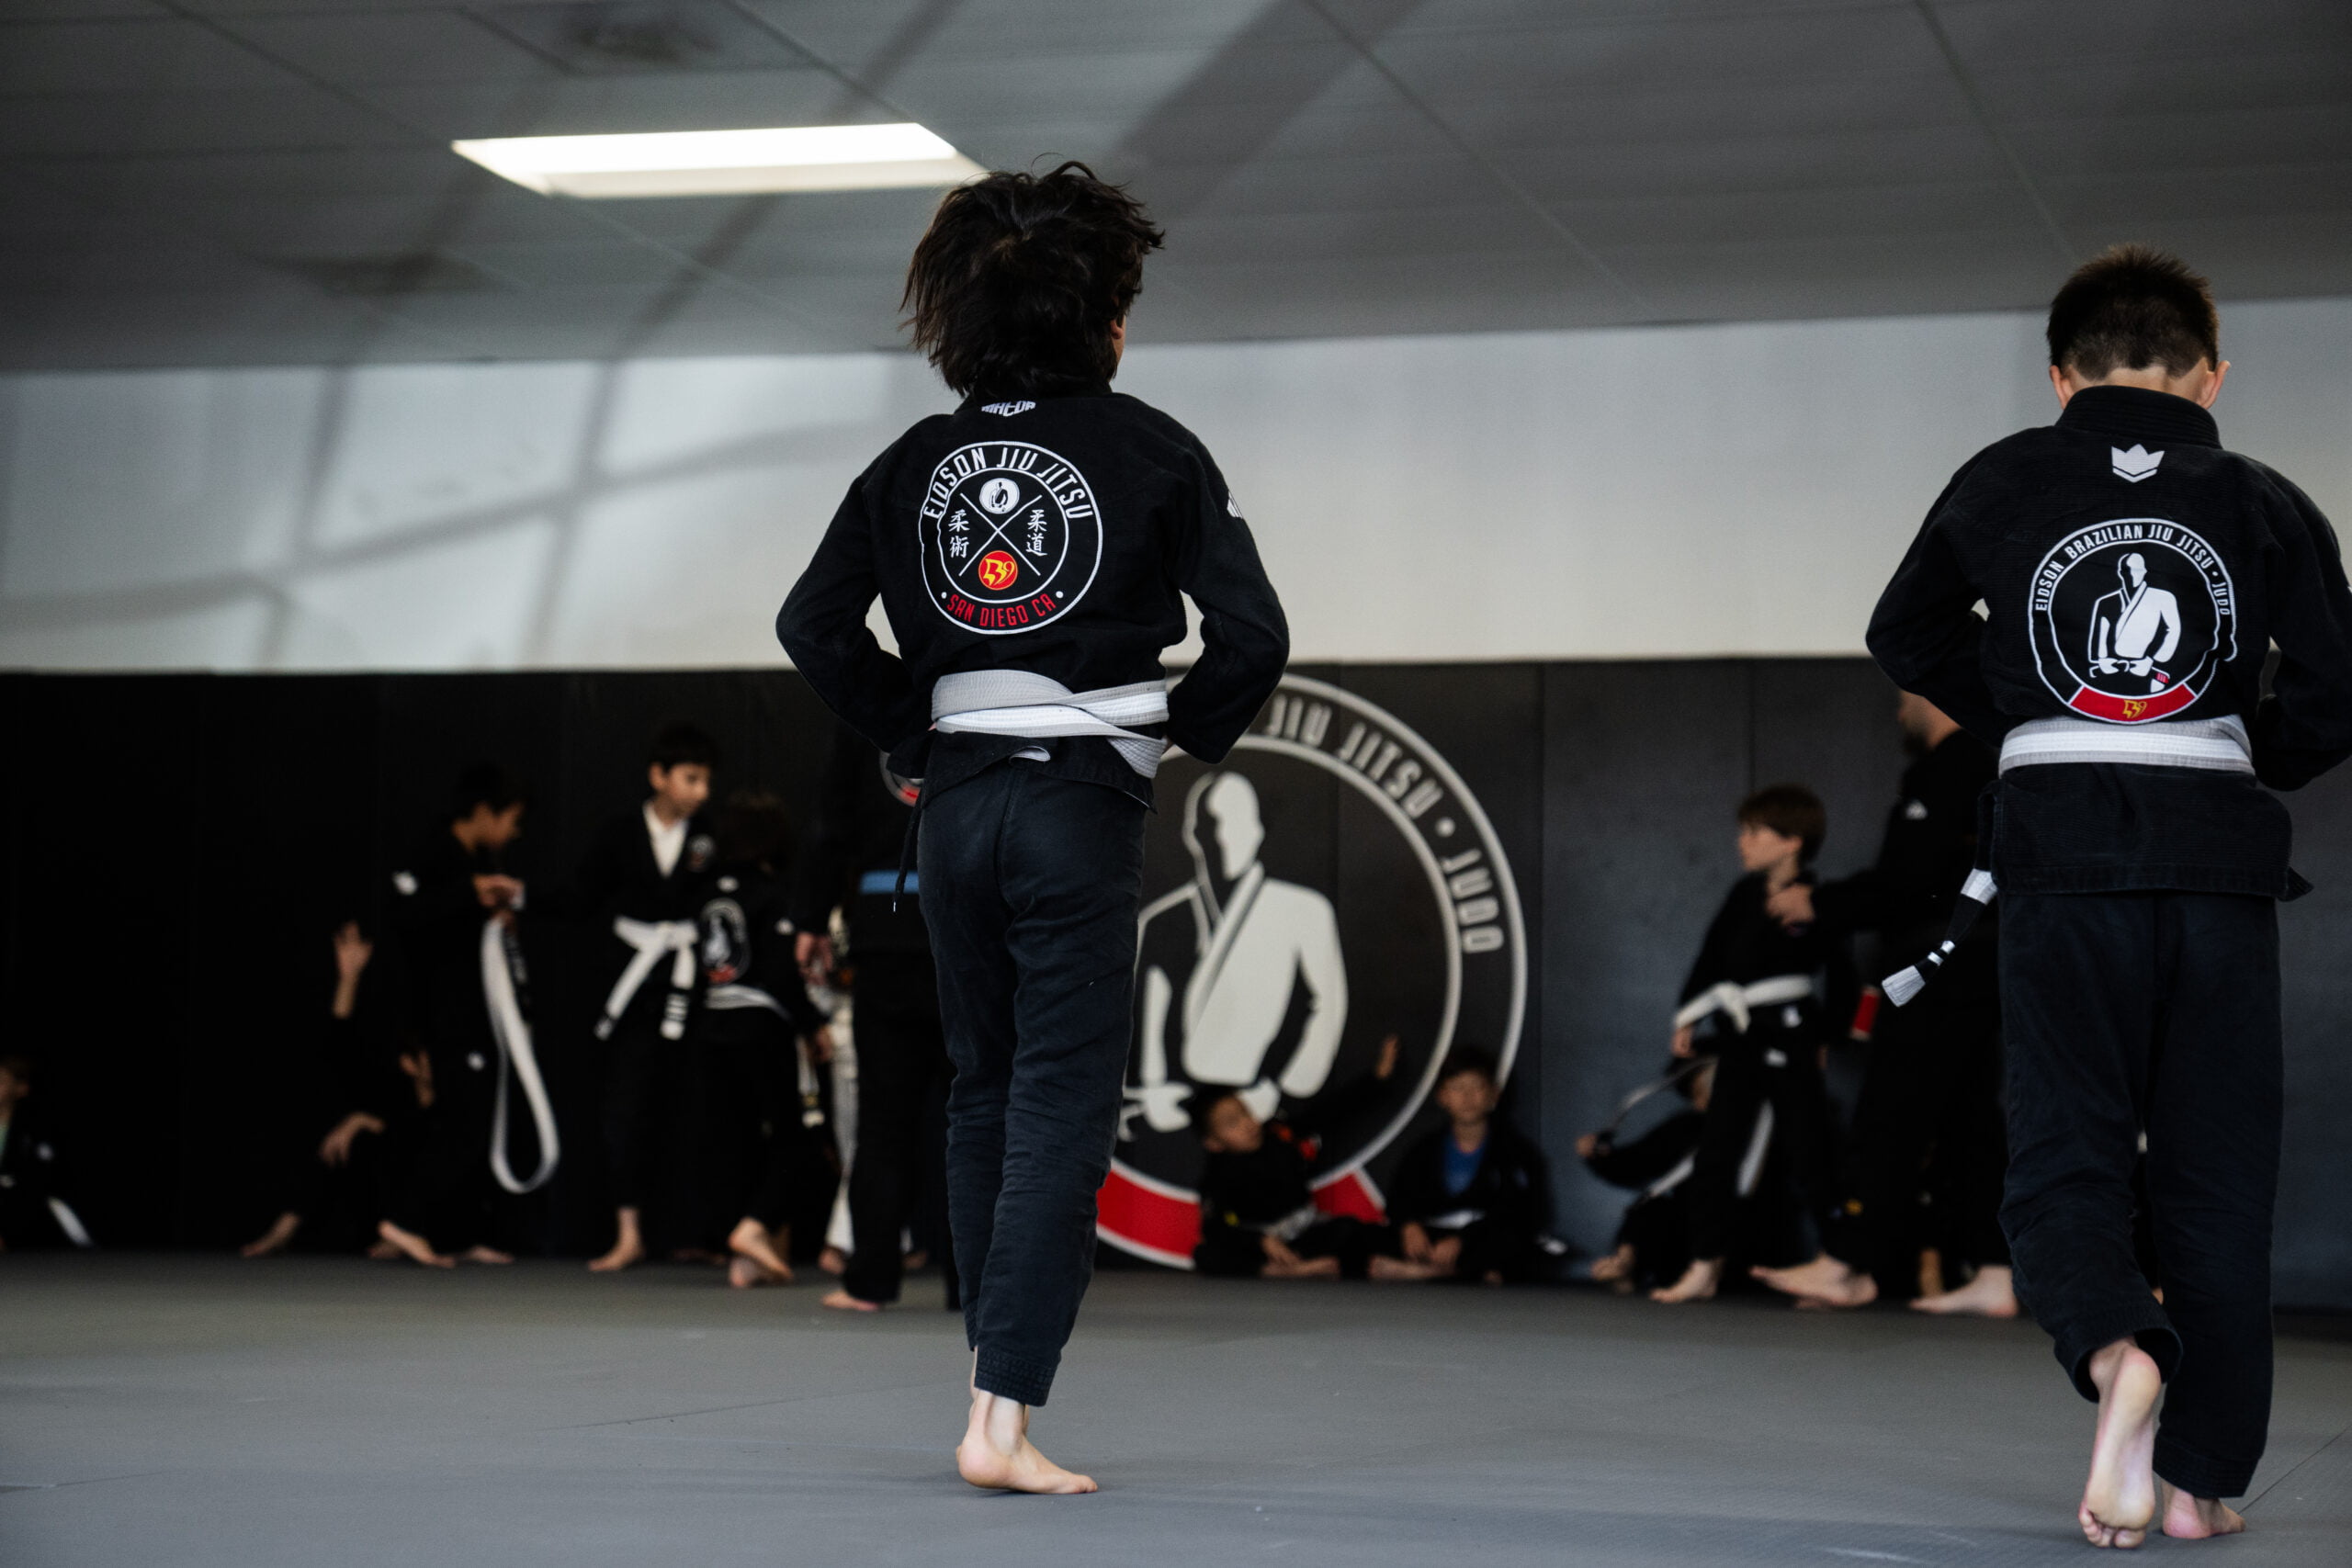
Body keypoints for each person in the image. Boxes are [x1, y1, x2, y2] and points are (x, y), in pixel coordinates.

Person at [776, 162, 1288, 1493]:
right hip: (1075, 800)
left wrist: (910, 724)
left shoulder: (910, 465)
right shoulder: (1153, 448)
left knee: (983, 1083)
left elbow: (811, 625)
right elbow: (1256, 637)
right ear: (1108, 320)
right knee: (1061, 1091)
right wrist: (1165, 723)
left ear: (958, 318)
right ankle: (998, 1418)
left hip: (953, 810)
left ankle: (984, 1390)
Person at [1866, 244, 2352, 1547]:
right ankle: (2197, 1482)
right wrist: (2236, 745)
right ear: (2213, 374)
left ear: (2059, 372)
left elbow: (1903, 634)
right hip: (2216, 857)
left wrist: (2048, 706)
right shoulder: (2261, 497)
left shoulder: (2003, 477)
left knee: (2068, 1147)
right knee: (2216, 1171)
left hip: (2064, 851)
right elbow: (2333, 690)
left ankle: (2115, 1346)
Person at [1749, 692, 2015, 1316]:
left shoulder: (1952, 767)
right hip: (1977, 963)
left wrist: (1820, 902)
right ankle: (1998, 1272)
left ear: (1933, 691)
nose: (1899, 711)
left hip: (1939, 967)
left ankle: (1844, 1265)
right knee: (1966, 1123)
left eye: (1903, 697)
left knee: (1891, 1113)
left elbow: (1911, 882)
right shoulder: (1983, 764)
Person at [1651, 785, 1842, 1304]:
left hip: (1793, 1030)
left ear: (1791, 842)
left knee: (1808, 1150)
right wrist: (1688, 1013)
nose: (1743, 842)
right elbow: (1711, 956)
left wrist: (1828, 1035)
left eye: (1755, 832)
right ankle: (1705, 1263)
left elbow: (1842, 972)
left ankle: (1836, 1264)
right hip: (1740, 1034)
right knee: (1718, 1148)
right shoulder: (1742, 894)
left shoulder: (1818, 899)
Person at [792, 726, 953, 1314]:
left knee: (884, 1122)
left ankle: (872, 1279)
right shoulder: (983, 684)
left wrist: (811, 920)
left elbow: (831, 824)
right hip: (966, 932)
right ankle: (978, 1287)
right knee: (976, 1117)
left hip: (885, 933)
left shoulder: (867, 706)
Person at [379, 763, 540, 1269]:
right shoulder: (435, 854)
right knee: (460, 1123)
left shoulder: (479, 859)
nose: (513, 832)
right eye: (510, 819)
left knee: (475, 1119)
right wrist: (468, 896)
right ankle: (404, 1222)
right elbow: (404, 921)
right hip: (443, 1015)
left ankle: (457, 1229)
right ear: (483, 811)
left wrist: (495, 914)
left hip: (472, 1012)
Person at [579, 721, 718, 1273]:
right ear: (658, 776)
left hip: (691, 989)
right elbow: (582, 895)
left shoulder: (709, 835)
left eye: (706, 780)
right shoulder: (619, 833)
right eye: (690, 778)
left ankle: (694, 1231)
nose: (701, 792)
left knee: (693, 1111)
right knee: (626, 1112)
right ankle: (628, 1231)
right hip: (635, 988)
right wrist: (523, 903)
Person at [690, 790, 829, 1288]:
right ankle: (752, 1229)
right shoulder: (775, 893)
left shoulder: (709, 893)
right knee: (797, 1142)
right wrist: (813, 1024)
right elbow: (781, 974)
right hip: (759, 1027)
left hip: (711, 1028)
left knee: (734, 1144)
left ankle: (744, 1255)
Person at [1192, 1036, 1430, 1280]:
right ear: (1213, 1142)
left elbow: (1331, 1111)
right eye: (1232, 1124)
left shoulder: (1280, 1133)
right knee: (1206, 1253)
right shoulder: (1216, 1175)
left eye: (1245, 1113)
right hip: (1263, 1247)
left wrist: (1377, 1078)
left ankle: (1306, 1266)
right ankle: (1276, 1271)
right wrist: (1261, 1241)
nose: (1246, 1124)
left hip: (1306, 1236)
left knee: (1349, 1230)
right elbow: (1214, 1229)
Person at [240, 923, 413, 1258]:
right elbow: (339, 1041)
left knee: (392, 1140)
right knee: (326, 1121)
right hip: (360, 1155)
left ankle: (402, 1230)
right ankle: (285, 1227)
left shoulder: (410, 1034)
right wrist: (348, 977)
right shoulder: (359, 1043)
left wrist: (364, 1121)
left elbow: (423, 1123)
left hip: (400, 1152)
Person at [1386, 1048, 1550, 1283]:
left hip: (1481, 1238)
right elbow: (1398, 1199)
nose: (1467, 1097)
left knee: (1516, 1246)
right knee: (1359, 1234)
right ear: (1442, 1096)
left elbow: (1521, 1213)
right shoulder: (1422, 1150)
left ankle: (1436, 1272)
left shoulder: (1515, 1151)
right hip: (1433, 1240)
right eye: (1457, 1087)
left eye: (1477, 1087)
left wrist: (1463, 1239)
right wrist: (1409, 1226)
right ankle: (1451, 1272)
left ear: (1494, 1094)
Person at [1578, 1058, 1713, 1292]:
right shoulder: (1687, 1127)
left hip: (1741, 1241)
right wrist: (1599, 1156)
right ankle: (1625, 1263)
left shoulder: (1762, 1126)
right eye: (1701, 1088)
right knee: (1652, 1206)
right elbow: (1636, 1162)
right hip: (1686, 1237)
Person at [0, 1055, 93, 1252]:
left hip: (24, 1220)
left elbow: (39, 1184)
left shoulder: (37, 1131)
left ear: (21, 1089)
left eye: (1, 1081)